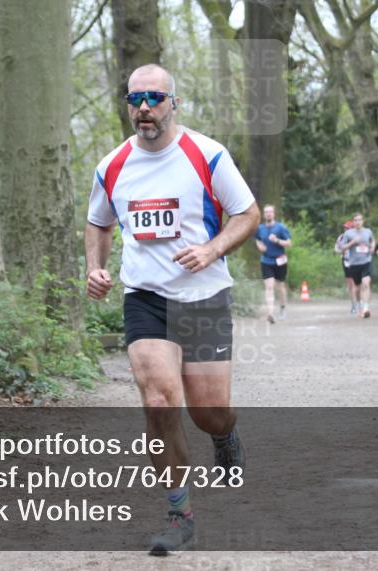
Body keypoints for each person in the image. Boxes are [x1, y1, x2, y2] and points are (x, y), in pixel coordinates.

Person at [85, 64, 259, 555]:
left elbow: (247, 213)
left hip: (203, 297)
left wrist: (213, 249)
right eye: (135, 98)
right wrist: (95, 267)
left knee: (209, 412)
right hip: (146, 298)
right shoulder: (112, 165)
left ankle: (225, 437)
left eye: (154, 98)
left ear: (173, 103)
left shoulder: (208, 155)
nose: (144, 107)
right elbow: (97, 223)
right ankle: (180, 514)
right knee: (159, 400)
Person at [254, 204, 291, 323]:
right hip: (266, 260)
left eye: (270, 212)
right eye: (266, 212)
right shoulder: (260, 228)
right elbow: (257, 239)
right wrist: (260, 246)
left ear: (274, 214)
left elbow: (289, 243)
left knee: (280, 287)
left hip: (280, 260)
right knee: (269, 287)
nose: (268, 214)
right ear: (264, 214)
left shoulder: (281, 228)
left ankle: (283, 308)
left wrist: (277, 240)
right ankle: (270, 313)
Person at [335, 214, 375, 317]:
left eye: (359, 220)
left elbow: (372, 240)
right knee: (357, 288)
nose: (358, 222)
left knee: (366, 283)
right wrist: (352, 242)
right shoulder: (348, 234)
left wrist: (372, 248)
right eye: (355, 220)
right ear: (353, 222)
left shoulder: (368, 232)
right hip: (354, 264)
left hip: (366, 261)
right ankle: (358, 304)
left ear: (363, 221)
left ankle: (366, 308)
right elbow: (342, 248)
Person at [334, 220, 354, 310]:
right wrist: (341, 250)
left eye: (347, 228)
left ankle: (360, 302)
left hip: (356, 262)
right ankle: (353, 304)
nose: (345, 229)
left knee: (356, 284)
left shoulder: (356, 237)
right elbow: (336, 249)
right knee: (350, 284)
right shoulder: (341, 237)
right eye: (345, 227)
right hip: (346, 261)